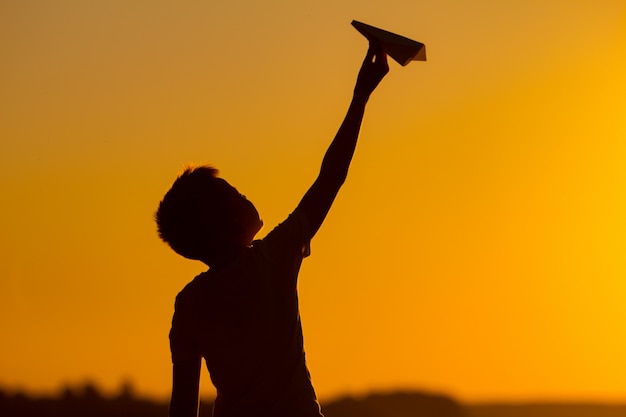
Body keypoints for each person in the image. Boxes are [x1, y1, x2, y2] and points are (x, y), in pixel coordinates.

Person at [155, 42, 389, 417]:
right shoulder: (272, 259)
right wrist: (361, 95)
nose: (245, 194)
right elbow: (331, 177)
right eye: (235, 192)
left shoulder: (189, 305)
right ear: (231, 223)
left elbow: (182, 409)